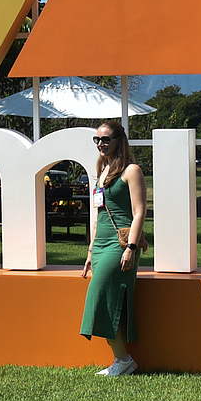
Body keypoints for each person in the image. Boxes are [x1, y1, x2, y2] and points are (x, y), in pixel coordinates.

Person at [79, 119, 146, 377]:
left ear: (120, 140)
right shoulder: (102, 171)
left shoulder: (131, 170)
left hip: (120, 245)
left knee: (102, 294)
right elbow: (96, 217)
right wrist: (89, 252)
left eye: (106, 139)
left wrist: (131, 246)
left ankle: (124, 360)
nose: (100, 144)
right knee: (106, 299)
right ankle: (121, 359)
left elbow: (140, 212)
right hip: (101, 244)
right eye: (97, 139)